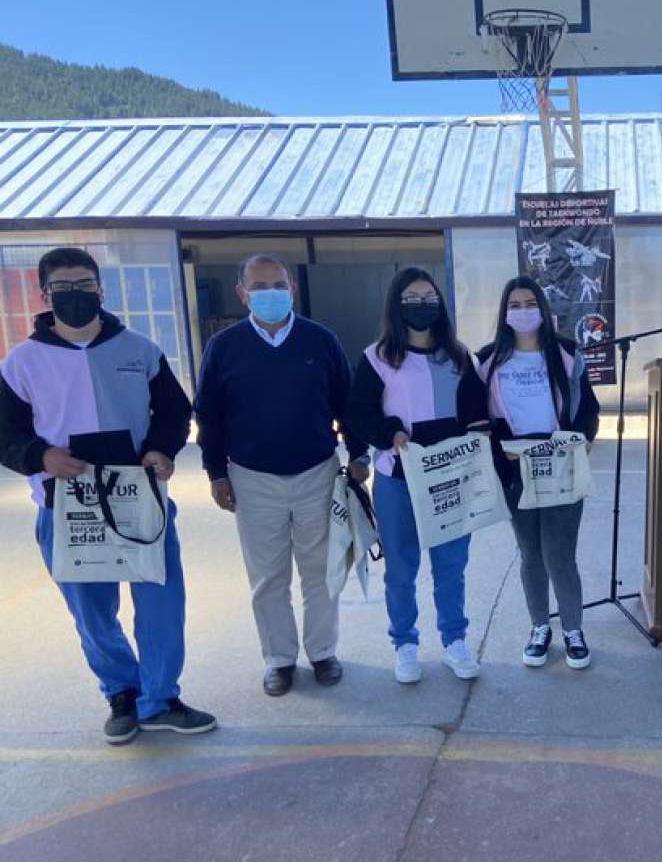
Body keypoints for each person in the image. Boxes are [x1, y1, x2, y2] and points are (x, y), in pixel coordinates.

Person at [0, 247, 216, 744]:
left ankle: (160, 698)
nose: (75, 296)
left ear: (101, 288)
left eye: (84, 286)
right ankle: (121, 692)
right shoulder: (23, 362)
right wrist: (40, 457)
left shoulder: (139, 349)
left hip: (138, 499)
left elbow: (173, 413)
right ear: (45, 293)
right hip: (67, 506)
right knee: (93, 611)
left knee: (161, 601)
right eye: (63, 288)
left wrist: (162, 451)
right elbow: (6, 435)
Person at [194, 253, 367, 697]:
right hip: (252, 478)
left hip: (317, 473)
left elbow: (346, 403)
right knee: (268, 578)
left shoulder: (320, 340)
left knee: (322, 571)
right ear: (242, 293)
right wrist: (216, 473)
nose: (271, 294)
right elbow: (209, 416)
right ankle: (279, 659)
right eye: (260, 286)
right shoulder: (224, 347)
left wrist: (360, 454)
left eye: (278, 285)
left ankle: (323, 652)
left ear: (291, 288)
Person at [346, 267, 489, 684]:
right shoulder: (377, 357)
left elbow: (477, 413)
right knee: (402, 568)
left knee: (451, 565)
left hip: (452, 479)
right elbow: (358, 413)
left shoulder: (461, 356)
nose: (423, 304)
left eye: (430, 297)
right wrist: (388, 432)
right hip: (398, 479)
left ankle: (454, 641)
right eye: (412, 298)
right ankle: (405, 644)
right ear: (397, 304)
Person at [477, 277, 601, 670]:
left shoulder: (565, 354)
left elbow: (587, 408)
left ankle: (573, 630)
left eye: (530, 302)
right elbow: (479, 417)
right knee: (530, 553)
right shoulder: (488, 360)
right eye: (514, 304)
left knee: (560, 554)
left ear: (543, 309)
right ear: (504, 312)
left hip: (559, 465)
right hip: (515, 468)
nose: (523, 310)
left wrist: (579, 440)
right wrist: (499, 452)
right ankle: (538, 627)